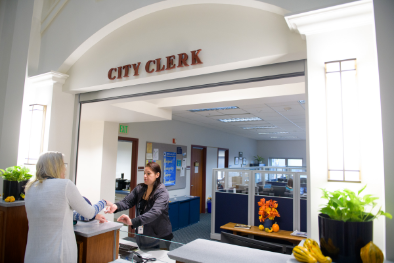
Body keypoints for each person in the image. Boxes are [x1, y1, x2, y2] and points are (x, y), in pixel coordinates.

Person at [24, 151, 112, 263]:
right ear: (55, 167)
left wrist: (94, 217)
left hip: (33, 255)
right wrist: (104, 202)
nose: (65, 169)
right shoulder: (65, 185)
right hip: (58, 256)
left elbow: (61, 214)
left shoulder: (30, 188)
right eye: (63, 165)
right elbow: (89, 212)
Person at [105, 162, 173, 249]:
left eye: (148, 173)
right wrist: (116, 206)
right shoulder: (140, 189)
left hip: (160, 236)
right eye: (144, 173)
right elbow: (127, 202)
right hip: (143, 235)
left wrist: (133, 222)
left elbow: (155, 212)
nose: (145, 176)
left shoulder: (162, 192)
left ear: (157, 175)